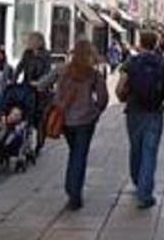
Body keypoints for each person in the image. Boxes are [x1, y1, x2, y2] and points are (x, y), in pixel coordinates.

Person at [116, 31, 164, 209]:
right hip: (154, 111)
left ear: (140, 43)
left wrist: (122, 98)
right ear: (156, 44)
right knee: (149, 152)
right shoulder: (162, 63)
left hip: (134, 111)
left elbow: (121, 85)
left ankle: (138, 182)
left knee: (136, 148)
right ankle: (145, 193)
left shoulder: (132, 62)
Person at [53, 40, 109, 210]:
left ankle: (71, 190)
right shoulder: (93, 74)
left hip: (67, 119)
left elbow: (53, 92)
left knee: (74, 152)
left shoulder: (63, 71)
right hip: (86, 120)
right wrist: (96, 111)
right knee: (80, 154)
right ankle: (74, 193)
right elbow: (103, 98)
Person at [15, 32, 53, 155]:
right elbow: (20, 67)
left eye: (32, 40)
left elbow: (48, 72)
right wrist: (14, 79)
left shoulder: (46, 55)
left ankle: (39, 143)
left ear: (39, 42)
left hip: (41, 91)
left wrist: (40, 83)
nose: (29, 42)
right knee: (26, 115)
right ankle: (27, 141)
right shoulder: (27, 54)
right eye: (29, 40)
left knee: (39, 118)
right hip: (27, 88)